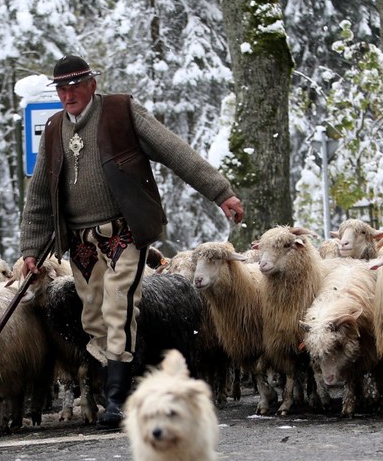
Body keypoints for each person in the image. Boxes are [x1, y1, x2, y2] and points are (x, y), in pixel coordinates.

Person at [19, 55, 245, 430]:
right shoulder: (56, 128)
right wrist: (31, 248)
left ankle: (117, 399)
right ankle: (129, 377)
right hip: (80, 241)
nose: (69, 94)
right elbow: (40, 193)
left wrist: (220, 192)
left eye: (75, 85)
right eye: (62, 88)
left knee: (119, 306)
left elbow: (174, 151)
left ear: (92, 83)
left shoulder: (121, 112)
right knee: (93, 316)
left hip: (124, 231)